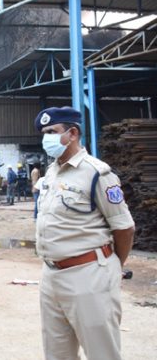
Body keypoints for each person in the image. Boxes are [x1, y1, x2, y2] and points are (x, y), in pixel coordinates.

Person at [34, 106, 135, 360]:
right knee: (57, 354)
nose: (46, 138)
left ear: (73, 133)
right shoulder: (51, 171)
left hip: (88, 275)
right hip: (51, 276)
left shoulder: (97, 173)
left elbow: (124, 227)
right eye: (43, 133)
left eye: (52, 131)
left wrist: (111, 266)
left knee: (102, 353)